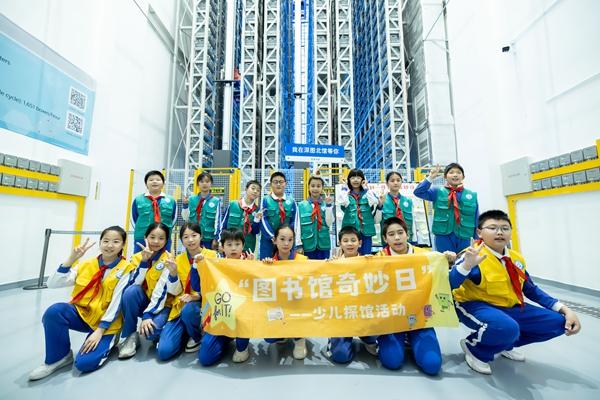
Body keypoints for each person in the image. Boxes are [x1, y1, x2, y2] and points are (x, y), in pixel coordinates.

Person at [450, 210, 581, 375]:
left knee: (559, 322)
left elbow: (530, 289)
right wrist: (466, 266)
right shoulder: (471, 255)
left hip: (509, 306)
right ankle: (475, 349)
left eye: (505, 228)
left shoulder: (516, 258)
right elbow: (450, 284)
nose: (499, 232)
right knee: (506, 327)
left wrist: (565, 310)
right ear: (479, 232)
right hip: (474, 305)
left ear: (511, 232)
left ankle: (503, 344)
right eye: (492, 228)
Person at [29, 226, 134, 380]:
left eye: (116, 242)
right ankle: (59, 357)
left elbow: (116, 303)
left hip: (106, 324)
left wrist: (100, 331)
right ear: (100, 242)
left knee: (85, 364)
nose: (110, 245)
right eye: (106, 241)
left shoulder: (126, 269)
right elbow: (53, 283)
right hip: (83, 314)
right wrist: (71, 259)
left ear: (123, 245)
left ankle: (112, 340)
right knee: (54, 312)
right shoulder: (87, 264)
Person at [374, 217, 447, 375]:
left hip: (420, 317)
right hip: (393, 318)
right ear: (385, 239)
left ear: (407, 234)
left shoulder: (426, 255)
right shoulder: (378, 258)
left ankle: (412, 339)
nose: (397, 238)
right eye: (391, 234)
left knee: (432, 365)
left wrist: (453, 261)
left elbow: (446, 280)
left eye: (400, 233)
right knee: (392, 362)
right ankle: (395, 340)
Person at [156, 223, 217, 360]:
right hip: (181, 307)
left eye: (194, 235)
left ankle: (197, 335)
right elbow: (175, 291)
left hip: (204, 305)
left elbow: (217, 285)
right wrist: (173, 274)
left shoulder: (212, 255)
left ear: (201, 236)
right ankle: (186, 332)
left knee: (189, 310)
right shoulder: (177, 260)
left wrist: (197, 297)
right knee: (164, 352)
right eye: (185, 237)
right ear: (181, 240)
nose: (190, 240)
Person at [198, 228, 255, 366]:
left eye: (237, 244)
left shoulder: (250, 262)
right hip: (220, 315)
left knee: (243, 315)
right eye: (229, 244)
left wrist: (252, 267)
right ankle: (225, 338)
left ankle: (242, 347)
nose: (233, 248)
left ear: (243, 245)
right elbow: (196, 285)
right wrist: (197, 266)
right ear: (222, 247)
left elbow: (258, 291)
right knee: (205, 359)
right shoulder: (215, 264)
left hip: (241, 315)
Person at [118, 223, 172, 359]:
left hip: (162, 304)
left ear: (166, 240)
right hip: (144, 301)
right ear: (145, 237)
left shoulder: (168, 259)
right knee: (131, 292)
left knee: (151, 333)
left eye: (161, 238)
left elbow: (162, 292)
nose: (156, 241)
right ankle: (130, 335)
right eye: (152, 237)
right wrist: (143, 262)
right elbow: (133, 284)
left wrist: (147, 315)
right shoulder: (136, 257)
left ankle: (163, 330)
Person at [326, 226, 378, 363]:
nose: (349, 244)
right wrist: (329, 268)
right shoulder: (333, 264)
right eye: (345, 241)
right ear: (340, 243)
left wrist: (372, 265)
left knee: (379, 342)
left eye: (353, 240)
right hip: (342, 316)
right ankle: (342, 342)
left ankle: (367, 339)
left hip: (364, 313)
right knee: (340, 356)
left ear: (360, 243)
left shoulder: (369, 261)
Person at [262, 224, 308, 359]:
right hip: (279, 307)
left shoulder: (302, 261)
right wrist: (265, 269)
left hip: (298, 307)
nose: (286, 243)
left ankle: (300, 339)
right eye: (282, 239)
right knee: (269, 338)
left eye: (290, 239)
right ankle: (283, 334)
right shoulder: (270, 262)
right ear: (274, 240)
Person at [413, 163, 478, 253]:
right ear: (445, 176)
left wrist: (477, 239)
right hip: (443, 236)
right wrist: (430, 177)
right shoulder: (437, 191)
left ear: (463, 176)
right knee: (444, 260)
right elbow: (418, 192)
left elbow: (476, 218)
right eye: (451, 172)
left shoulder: (471, 195)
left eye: (458, 172)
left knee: (465, 260)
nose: (455, 175)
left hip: (465, 236)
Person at [131, 170, 176, 253]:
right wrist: (143, 231)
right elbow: (133, 219)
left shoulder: (171, 200)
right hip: (142, 237)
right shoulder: (138, 199)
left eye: (158, 180)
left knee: (163, 260)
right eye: (151, 180)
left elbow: (173, 219)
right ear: (146, 184)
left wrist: (162, 232)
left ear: (163, 183)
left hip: (163, 238)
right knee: (140, 259)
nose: (154, 181)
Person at [259, 171, 301, 259]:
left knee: (287, 264)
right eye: (275, 182)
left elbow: (295, 222)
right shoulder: (265, 200)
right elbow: (263, 220)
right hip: (268, 241)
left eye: (281, 182)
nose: (278, 184)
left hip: (286, 241)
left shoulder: (292, 201)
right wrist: (272, 236)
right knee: (266, 263)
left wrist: (294, 240)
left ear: (285, 184)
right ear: (271, 184)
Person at [338, 169, 379, 255]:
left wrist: (366, 188)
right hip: (350, 231)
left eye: (358, 178)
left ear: (362, 180)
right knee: (350, 256)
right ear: (349, 180)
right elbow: (343, 202)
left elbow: (374, 201)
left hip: (366, 231)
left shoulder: (368, 193)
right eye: (353, 178)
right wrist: (345, 187)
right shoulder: (346, 194)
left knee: (366, 255)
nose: (355, 180)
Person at [220, 179, 263, 253]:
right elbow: (223, 224)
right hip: (230, 245)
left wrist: (256, 220)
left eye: (258, 190)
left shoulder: (257, 210)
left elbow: (255, 231)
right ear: (246, 189)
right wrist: (220, 241)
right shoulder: (232, 204)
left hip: (248, 246)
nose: (255, 191)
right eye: (253, 188)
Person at [182, 171, 222, 250]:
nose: (204, 184)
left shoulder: (216, 201)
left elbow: (218, 222)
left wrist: (216, 238)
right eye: (202, 181)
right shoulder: (191, 199)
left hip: (208, 239)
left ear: (211, 184)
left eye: (207, 181)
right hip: (192, 238)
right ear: (197, 184)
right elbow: (185, 217)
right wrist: (185, 205)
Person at [298, 175, 333, 259]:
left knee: (324, 267)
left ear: (322, 188)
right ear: (308, 187)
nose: (315, 189)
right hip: (307, 245)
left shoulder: (326, 204)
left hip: (324, 245)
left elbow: (329, 223)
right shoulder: (301, 205)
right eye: (313, 186)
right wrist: (298, 244)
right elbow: (298, 227)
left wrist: (328, 206)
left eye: (318, 186)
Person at [378, 171, 415, 242]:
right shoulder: (382, 200)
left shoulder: (408, 201)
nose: (395, 183)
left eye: (398, 180)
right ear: (387, 183)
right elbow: (377, 220)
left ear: (401, 182)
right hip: (389, 238)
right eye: (392, 181)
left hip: (405, 237)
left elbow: (412, 221)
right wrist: (379, 205)